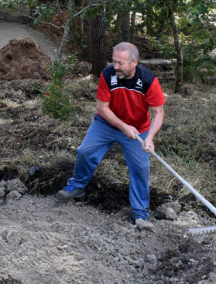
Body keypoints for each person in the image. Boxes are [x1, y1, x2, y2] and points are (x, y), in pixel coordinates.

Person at [56, 42, 165, 229]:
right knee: (85, 152)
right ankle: (78, 187)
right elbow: (102, 108)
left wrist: (149, 138)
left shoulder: (148, 79)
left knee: (141, 167)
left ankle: (139, 212)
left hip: (138, 129)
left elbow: (158, 113)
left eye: (120, 63)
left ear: (134, 62)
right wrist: (123, 126)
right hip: (106, 123)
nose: (116, 67)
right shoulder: (107, 75)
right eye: (114, 61)